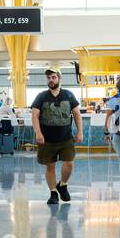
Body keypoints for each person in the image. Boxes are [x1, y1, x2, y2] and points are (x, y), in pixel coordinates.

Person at [31, 68, 82, 205]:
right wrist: (38, 133)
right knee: (50, 167)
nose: (51, 80)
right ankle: (53, 192)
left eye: (53, 77)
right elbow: (34, 115)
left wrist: (79, 132)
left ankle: (63, 184)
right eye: (48, 78)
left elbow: (77, 114)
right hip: (47, 140)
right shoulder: (41, 96)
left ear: (59, 78)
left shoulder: (69, 95)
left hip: (66, 138)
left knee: (69, 163)